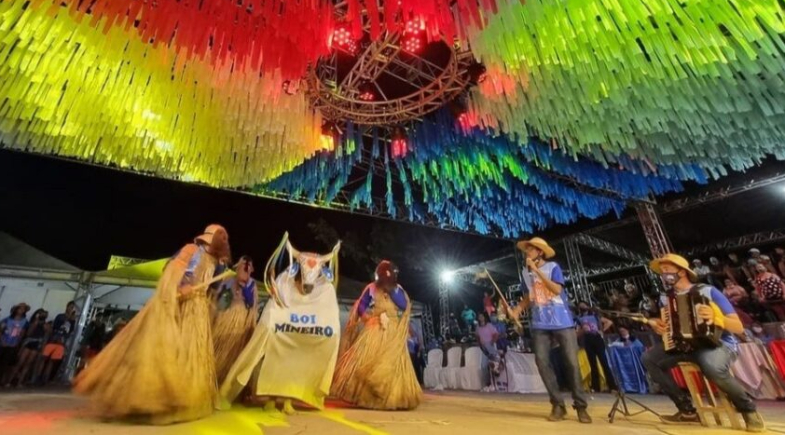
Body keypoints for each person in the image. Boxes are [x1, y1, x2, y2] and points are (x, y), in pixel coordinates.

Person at [74, 224, 231, 424]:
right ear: (211, 237)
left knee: (189, 356)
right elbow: (171, 271)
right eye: (222, 236)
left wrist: (216, 294)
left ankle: (180, 402)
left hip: (198, 313)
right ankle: (146, 399)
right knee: (165, 352)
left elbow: (215, 289)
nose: (225, 240)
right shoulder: (191, 250)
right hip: (177, 308)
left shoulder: (217, 263)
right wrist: (181, 285)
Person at [641, 253, 764, 431]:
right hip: (686, 346)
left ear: (682, 272)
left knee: (712, 366)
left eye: (667, 269)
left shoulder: (708, 291)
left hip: (719, 345)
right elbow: (673, 329)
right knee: (649, 359)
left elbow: (737, 326)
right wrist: (661, 327)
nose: (663, 274)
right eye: (662, 271)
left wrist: (716, 317)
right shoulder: (669, 300)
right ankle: (687, 410)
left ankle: (748, 409)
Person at [220, 236, 341, 414]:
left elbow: (327, 313)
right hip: (282, 334)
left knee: (296, 365)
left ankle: (287, 400)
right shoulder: (286, 281)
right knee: (275, 361)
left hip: (301, 338)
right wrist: (275, 322)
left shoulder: (324, 287)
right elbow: (275, 307)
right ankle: (269, 400)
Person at [512, 237, 590, 423]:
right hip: (540, 323)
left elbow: (556, 290)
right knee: (542, 362)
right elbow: (528, 297)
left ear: (540, 252)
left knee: (571, 363)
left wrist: (537, 271)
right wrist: (517, 309)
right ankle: (557, 405)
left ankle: (581, 406)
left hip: (562, 321)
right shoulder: (524, 272)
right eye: (526, 251)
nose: (527, 254)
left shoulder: (553, 267)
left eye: (530, 250)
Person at [331, 260, 422, 410]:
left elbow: (403, 306)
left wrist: (391, 290)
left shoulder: (398, 289)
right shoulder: (371, 288)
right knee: (366, 361)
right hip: (374, 328)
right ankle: (367, 397)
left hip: (392, 332)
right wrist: (369, 318)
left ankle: (390, 398)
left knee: (391, 363)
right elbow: (361, 306)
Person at [213, 256, 258, 385]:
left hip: (240, 327)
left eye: (248, 266)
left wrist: (244, 288)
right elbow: (221, 304)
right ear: (237, 267)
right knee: (218, 355)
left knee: (234, 357)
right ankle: (215, 380)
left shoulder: (252, 284)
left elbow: (251, 305)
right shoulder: (227, 280)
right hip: (224, 322)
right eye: (243, 265)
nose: (245, 268)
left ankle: (229, 385)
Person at [576, 301, 617, 393]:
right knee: (592, 364)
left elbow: (609, 322)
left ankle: (612, 386)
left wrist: (602, 330)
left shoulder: (595, 315)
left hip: (597, 338)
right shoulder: (579, 318)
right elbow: (577, 334)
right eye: (580, 306)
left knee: (604, 362)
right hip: (587, 339)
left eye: (584, 305)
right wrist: (583, 330)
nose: (582, 307)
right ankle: (595, 386)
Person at [37, 301, 77, 384]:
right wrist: (68, 318)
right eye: (70, 307)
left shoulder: (72, 320)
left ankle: (45, 378)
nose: (71, 309)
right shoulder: (60, 316)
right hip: (53, 339)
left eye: (73, 308)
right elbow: (55, 326)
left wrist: (72, 321)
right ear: (67, 307)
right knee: (44, 359)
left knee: (52, 361)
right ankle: (37, 377)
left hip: (62, 342)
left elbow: (70, 331)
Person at [6, 309, 49, 386]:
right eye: (41, 314)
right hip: (29, 342)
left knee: (28, 364)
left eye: (44, 315)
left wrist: (42, 347)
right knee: (20, 362)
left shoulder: (46, 325)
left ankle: (20, 382)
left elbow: (46, 336)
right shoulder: (33, 323)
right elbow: (28, 333)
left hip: (37, 344)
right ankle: (9, 381)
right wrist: (34, 324)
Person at [0, 303, 30, 385]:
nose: (21, 310)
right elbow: (1, 330)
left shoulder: (24, 322)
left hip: (13, 344)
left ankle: (3, 380)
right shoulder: (7, 319)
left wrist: (17, 343)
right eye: (20, 308)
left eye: (23, 309)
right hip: (3, 343)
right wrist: (2, 341)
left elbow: (22, 334)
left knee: (7, 364)